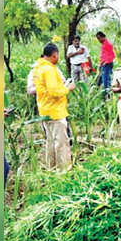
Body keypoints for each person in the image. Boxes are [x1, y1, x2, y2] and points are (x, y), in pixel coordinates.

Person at [32, 43, 76, 171]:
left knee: (50, 143)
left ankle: (51, 169)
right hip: (56, 112)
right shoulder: (49, 69)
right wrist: (68, 88)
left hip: (45, 110)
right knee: (61, 144)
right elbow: (54, 92)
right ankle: (64, 172)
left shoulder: (38, 68)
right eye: (58, 56)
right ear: (54, 55)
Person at [96, 31, 115, 96]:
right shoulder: (104, 44)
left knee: (106, 82)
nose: (99, 40)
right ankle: (103, 95)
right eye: (97, 39)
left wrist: (106, 62)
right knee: (100, 81)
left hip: (107, 65)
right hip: (103, 65)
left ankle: (107, 97)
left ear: (103, 37)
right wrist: (100, 64)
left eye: (99, 38)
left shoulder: (108, 44)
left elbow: (112, 55)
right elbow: (103, 56)